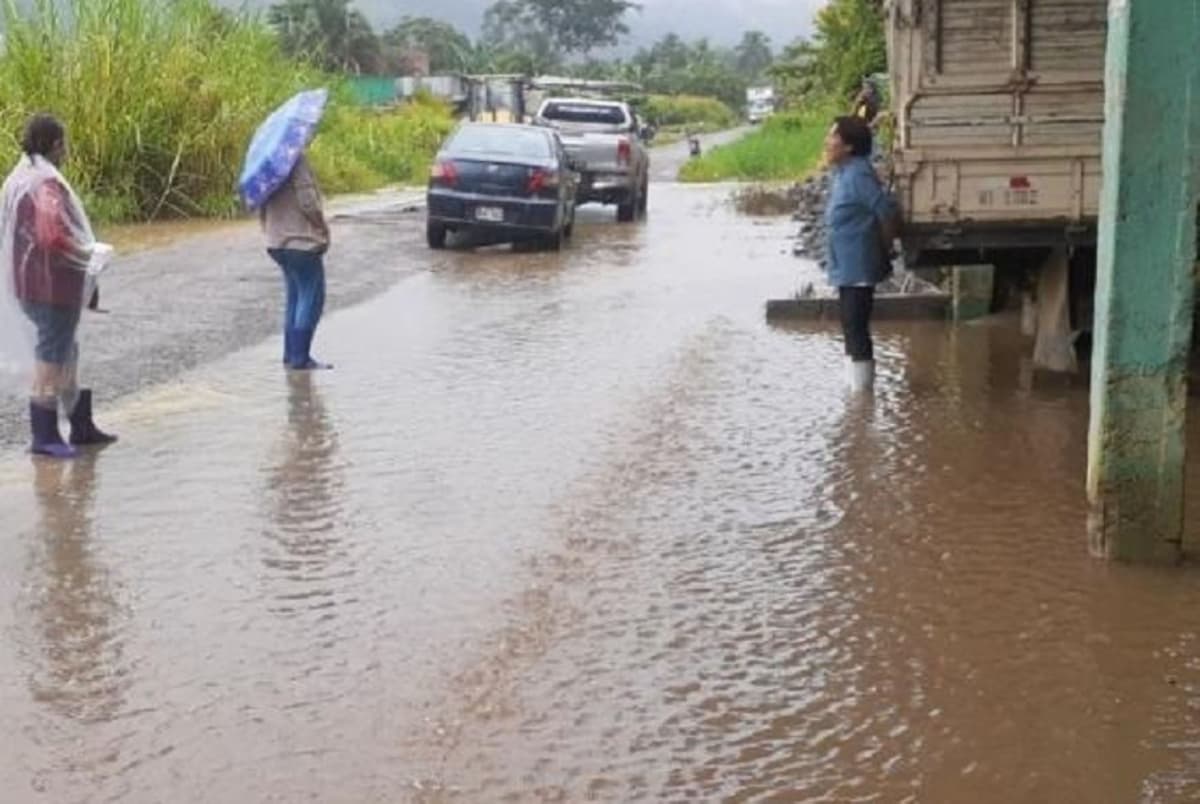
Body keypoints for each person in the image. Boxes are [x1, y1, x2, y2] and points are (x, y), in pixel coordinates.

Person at [0, 114, 116, 458]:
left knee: (66, 351)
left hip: (27, 282)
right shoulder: (46, 185)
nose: (65, 149)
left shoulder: (20, 177)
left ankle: (81, 426)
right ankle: (45, 434)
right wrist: (87, 253)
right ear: (54, 144)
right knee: (51, 355)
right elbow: (52, 235)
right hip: (51, 286)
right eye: (62, 143)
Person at [823, 115, 899, 391]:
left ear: (849, 147)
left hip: (859, 265)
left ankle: (862, 400)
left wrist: (886, 247)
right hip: (846, 265)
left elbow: (885, 211)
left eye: (833, 137)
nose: (827, 142)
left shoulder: (857, 175)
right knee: (849, 325)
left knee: (856, 327)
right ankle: (855, 393)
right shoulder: (844, 172)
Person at [261, 153, 331, 371]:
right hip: (301, 241)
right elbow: (308, 200)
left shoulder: (268, 163)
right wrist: (321, 226)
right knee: (311, 296)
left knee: (294, 297)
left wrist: (268, 227)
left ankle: (290, 355)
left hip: (276, 241)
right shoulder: (295, 160)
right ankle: (300, 358)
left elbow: (260, 202)